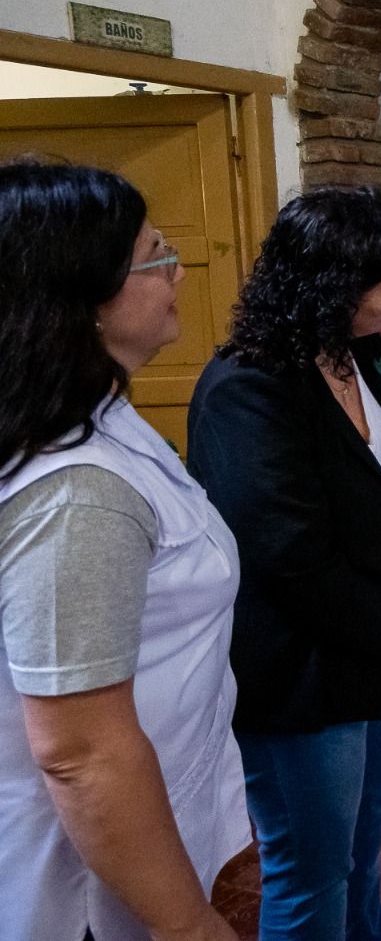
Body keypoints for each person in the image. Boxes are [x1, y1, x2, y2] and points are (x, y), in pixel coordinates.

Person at [187, 187, 381, 941]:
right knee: (309, 876)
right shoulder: (247, 390)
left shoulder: (355, 357)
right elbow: (289, 557)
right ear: (332, 289)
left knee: (357, 859)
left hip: (372, 654)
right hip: (302, 674)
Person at [0, 161, 247, 941]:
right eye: (154, 255)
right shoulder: (77, 492)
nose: (178, 268)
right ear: (82, 298)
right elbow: (80, 751)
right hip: (82, 892)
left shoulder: (102, 420)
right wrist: (190, 926)